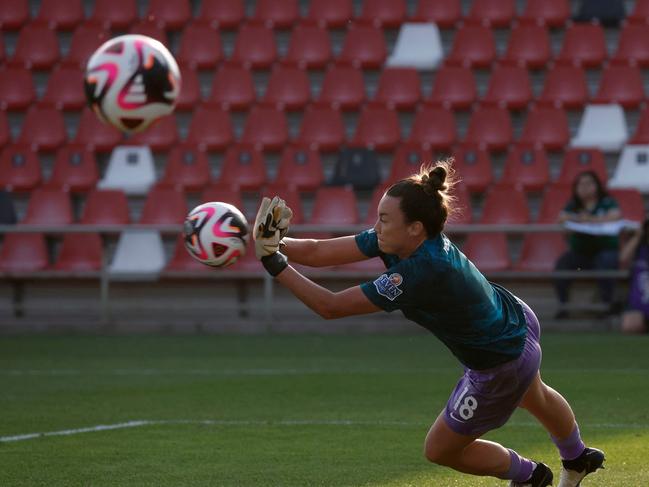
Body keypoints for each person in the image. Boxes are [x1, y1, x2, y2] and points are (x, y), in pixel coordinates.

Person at [253, 161, 605, 487]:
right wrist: (273, 241)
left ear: (415, 228)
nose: (376, 226)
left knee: (440, 450)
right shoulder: (402, 239)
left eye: (384, 219)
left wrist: (275, 264)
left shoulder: (420, 270)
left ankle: (529, 476)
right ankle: (577, 456)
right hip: (516, 320)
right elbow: (316, 251)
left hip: (500, 361)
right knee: (536, 395)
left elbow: (330, 306)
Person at [554, 171, 621, 318]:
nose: (584, 187)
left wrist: (589, 219)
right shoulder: (573, 205)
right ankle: (563, 306)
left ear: (597, 186)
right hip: (581, 252)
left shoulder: (607, 202)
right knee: (561, 265)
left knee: (606, 263)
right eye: (581, 184)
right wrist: (580, 217)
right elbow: (561, 218)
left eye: (589, 183)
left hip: (604, 249)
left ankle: (607, 306)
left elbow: (615, 216)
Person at [619, 219, 649, 334]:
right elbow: (623, 258)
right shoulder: (638, 248)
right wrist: (637, 236)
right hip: (639, 300)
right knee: (629, 327)